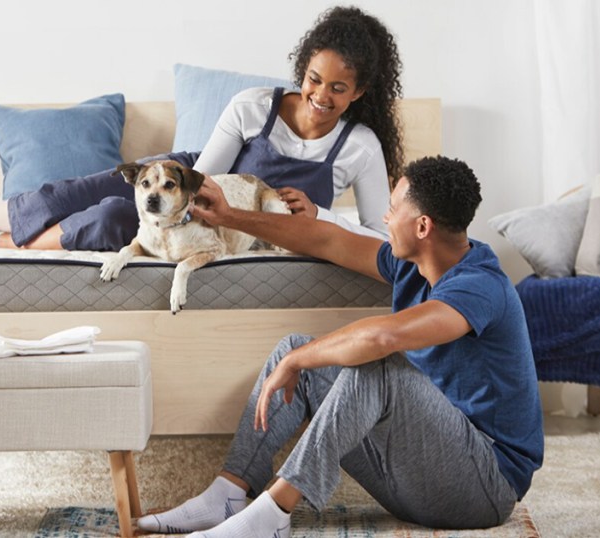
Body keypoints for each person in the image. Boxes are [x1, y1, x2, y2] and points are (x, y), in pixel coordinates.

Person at [136, 155, 544, 537]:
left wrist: (300, 360)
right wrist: (230, 217)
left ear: (422, 227)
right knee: (295, 345)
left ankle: (272, 515)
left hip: (484, 488)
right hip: (421, 474)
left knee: (374, 364)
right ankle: (227, 495)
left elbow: (383, 337)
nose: (384, 218)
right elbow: (325, 239)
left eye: (393, 208)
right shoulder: (412, 264)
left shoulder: (480, 285)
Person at [0, 5, 404, 252]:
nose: (321, 96)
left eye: (339, 90)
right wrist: (178, 202)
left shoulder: (359, 147)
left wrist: (319, 216)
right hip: (194, 182)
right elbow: (200, 181)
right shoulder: (253, 107)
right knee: (89, 187)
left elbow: (381, 240)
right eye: (314, 79)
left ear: (359, 93)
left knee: (117, 217)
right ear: (303, 71)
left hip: (237, 223)